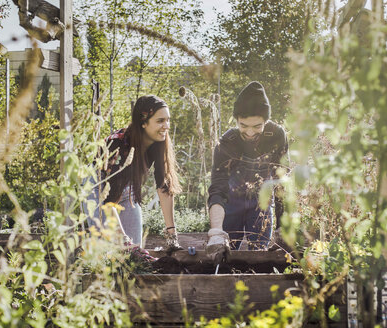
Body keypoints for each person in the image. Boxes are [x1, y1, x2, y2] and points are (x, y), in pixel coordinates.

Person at [86, 95, 183, 253]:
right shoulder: (119, 145)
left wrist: (172, 236)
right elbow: (108, 200)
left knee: (134, 253)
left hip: (126, 190)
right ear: (143, 123)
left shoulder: (159, 143)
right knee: (112, 247)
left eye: (168, 120)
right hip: (97, 190)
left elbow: (164, 187)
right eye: (160, 121)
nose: (166, 126)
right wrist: (121, 239)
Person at [206, 81, 288, 262]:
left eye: (257, 126)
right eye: (243, 126)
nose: (250, 133)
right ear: (236, 120)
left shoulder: (276, 136)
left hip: (261, 204)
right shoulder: (227, 142)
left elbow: (281, 181)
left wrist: (283, 226)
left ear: (266, 121)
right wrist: (216, 232)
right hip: (230, 204)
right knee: (222, 258)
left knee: (260, 259)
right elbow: (217, 188)